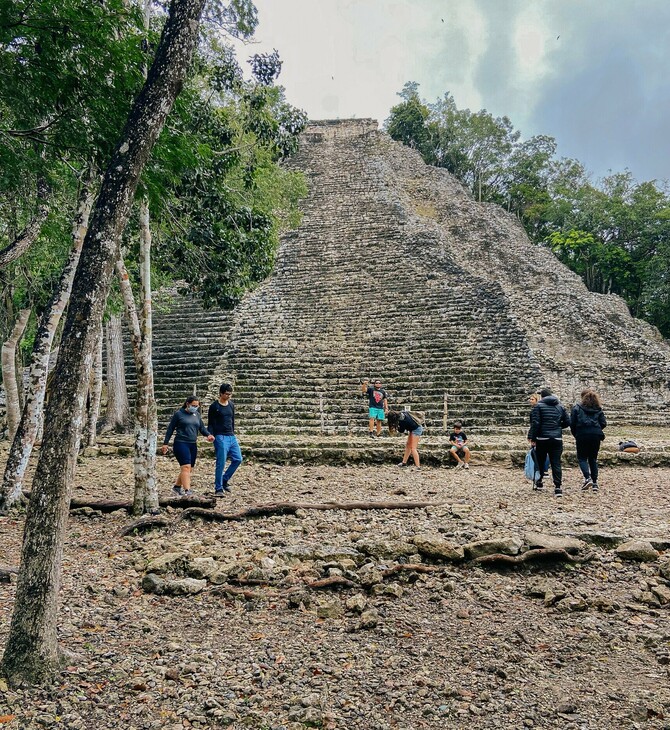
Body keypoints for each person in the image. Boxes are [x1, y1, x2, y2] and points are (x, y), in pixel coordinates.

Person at [161, 395, 214, 496]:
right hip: (181, 443)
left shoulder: (197, 415)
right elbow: (170, 429)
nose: (195, 407)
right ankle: (187, 491)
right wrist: (165, 443)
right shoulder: (178, 414)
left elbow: (201, 428)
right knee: (185, 467)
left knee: (189, 469)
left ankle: (177, 487)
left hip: (192, 444)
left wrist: (208, 435)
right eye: (193, 405)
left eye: (197, 406)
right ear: (187, 404)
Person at [528, 387, 570, 497]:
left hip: (542, 438)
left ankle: (539, 482)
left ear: (542, 397)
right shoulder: (560, 406)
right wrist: (558, 426)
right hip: (556, 438)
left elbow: (536, 423)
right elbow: (568, 421)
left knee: (540, 461)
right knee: (556, 462)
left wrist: (532, 437)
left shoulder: (538, 406)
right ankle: (558, 487)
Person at [208, 383, 243, 497]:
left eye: (230, 394)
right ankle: (218, 488)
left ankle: (224, 479)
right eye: (226, 394)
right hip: (220, 436)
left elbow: (232, 420)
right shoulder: (214, 406)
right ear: (221, 393)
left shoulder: (231, 405)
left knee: (238, 459)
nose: (228, 396)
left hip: (230, 435)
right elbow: (211, 423)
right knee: (221, 462)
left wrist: (233, 432)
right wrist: (211, 435)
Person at [570, 388, 607, 493]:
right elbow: (603, 423)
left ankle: (587, 478)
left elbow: (572, 423)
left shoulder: (577, 408)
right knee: (593, 459)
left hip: (582, 434)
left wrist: (576, 433)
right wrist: (596, 429)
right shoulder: (598, 409)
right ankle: (595, 483)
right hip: (595, 435)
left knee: (582, 458)